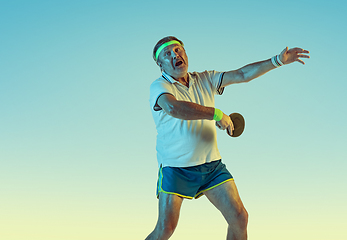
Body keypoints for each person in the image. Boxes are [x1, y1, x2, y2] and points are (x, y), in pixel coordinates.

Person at [146, 36, 310, 240]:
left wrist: (277, 60)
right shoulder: (159, 86)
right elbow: (173, 107)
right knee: (165, 229)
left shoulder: (205, 79)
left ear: (186, 54)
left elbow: (242, 74)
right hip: (176, 168)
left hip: (212, 167)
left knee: (239, 218)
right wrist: (216, 114)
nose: (175, 55)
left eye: (178, 50)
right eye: (167, 54)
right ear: (160, 64)